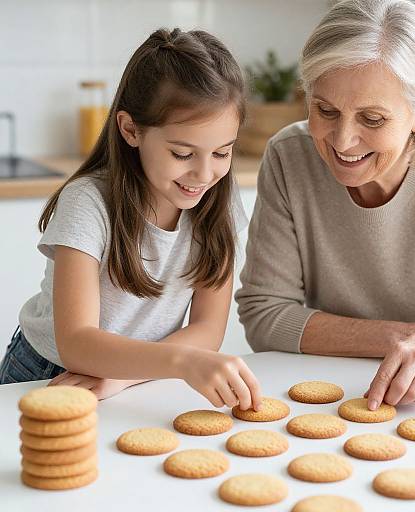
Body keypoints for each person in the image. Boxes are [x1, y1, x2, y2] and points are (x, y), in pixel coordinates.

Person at [236, 0, 415, 411]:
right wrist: (409, 337)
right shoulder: (288, 157)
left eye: (373, 119)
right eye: (325, 110)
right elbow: (265, 315)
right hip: (316, 388)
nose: (343, 141)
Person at [0, 27, 262, 412]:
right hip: (49, 371)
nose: (204, 174)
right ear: (130, 130)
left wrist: (123, 377)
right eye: (183, 154)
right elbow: (76, 342)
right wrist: (182, 362)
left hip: (139, 378)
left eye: (222, 153)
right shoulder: (88, 202)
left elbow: (208, 328)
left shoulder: (216, 201)